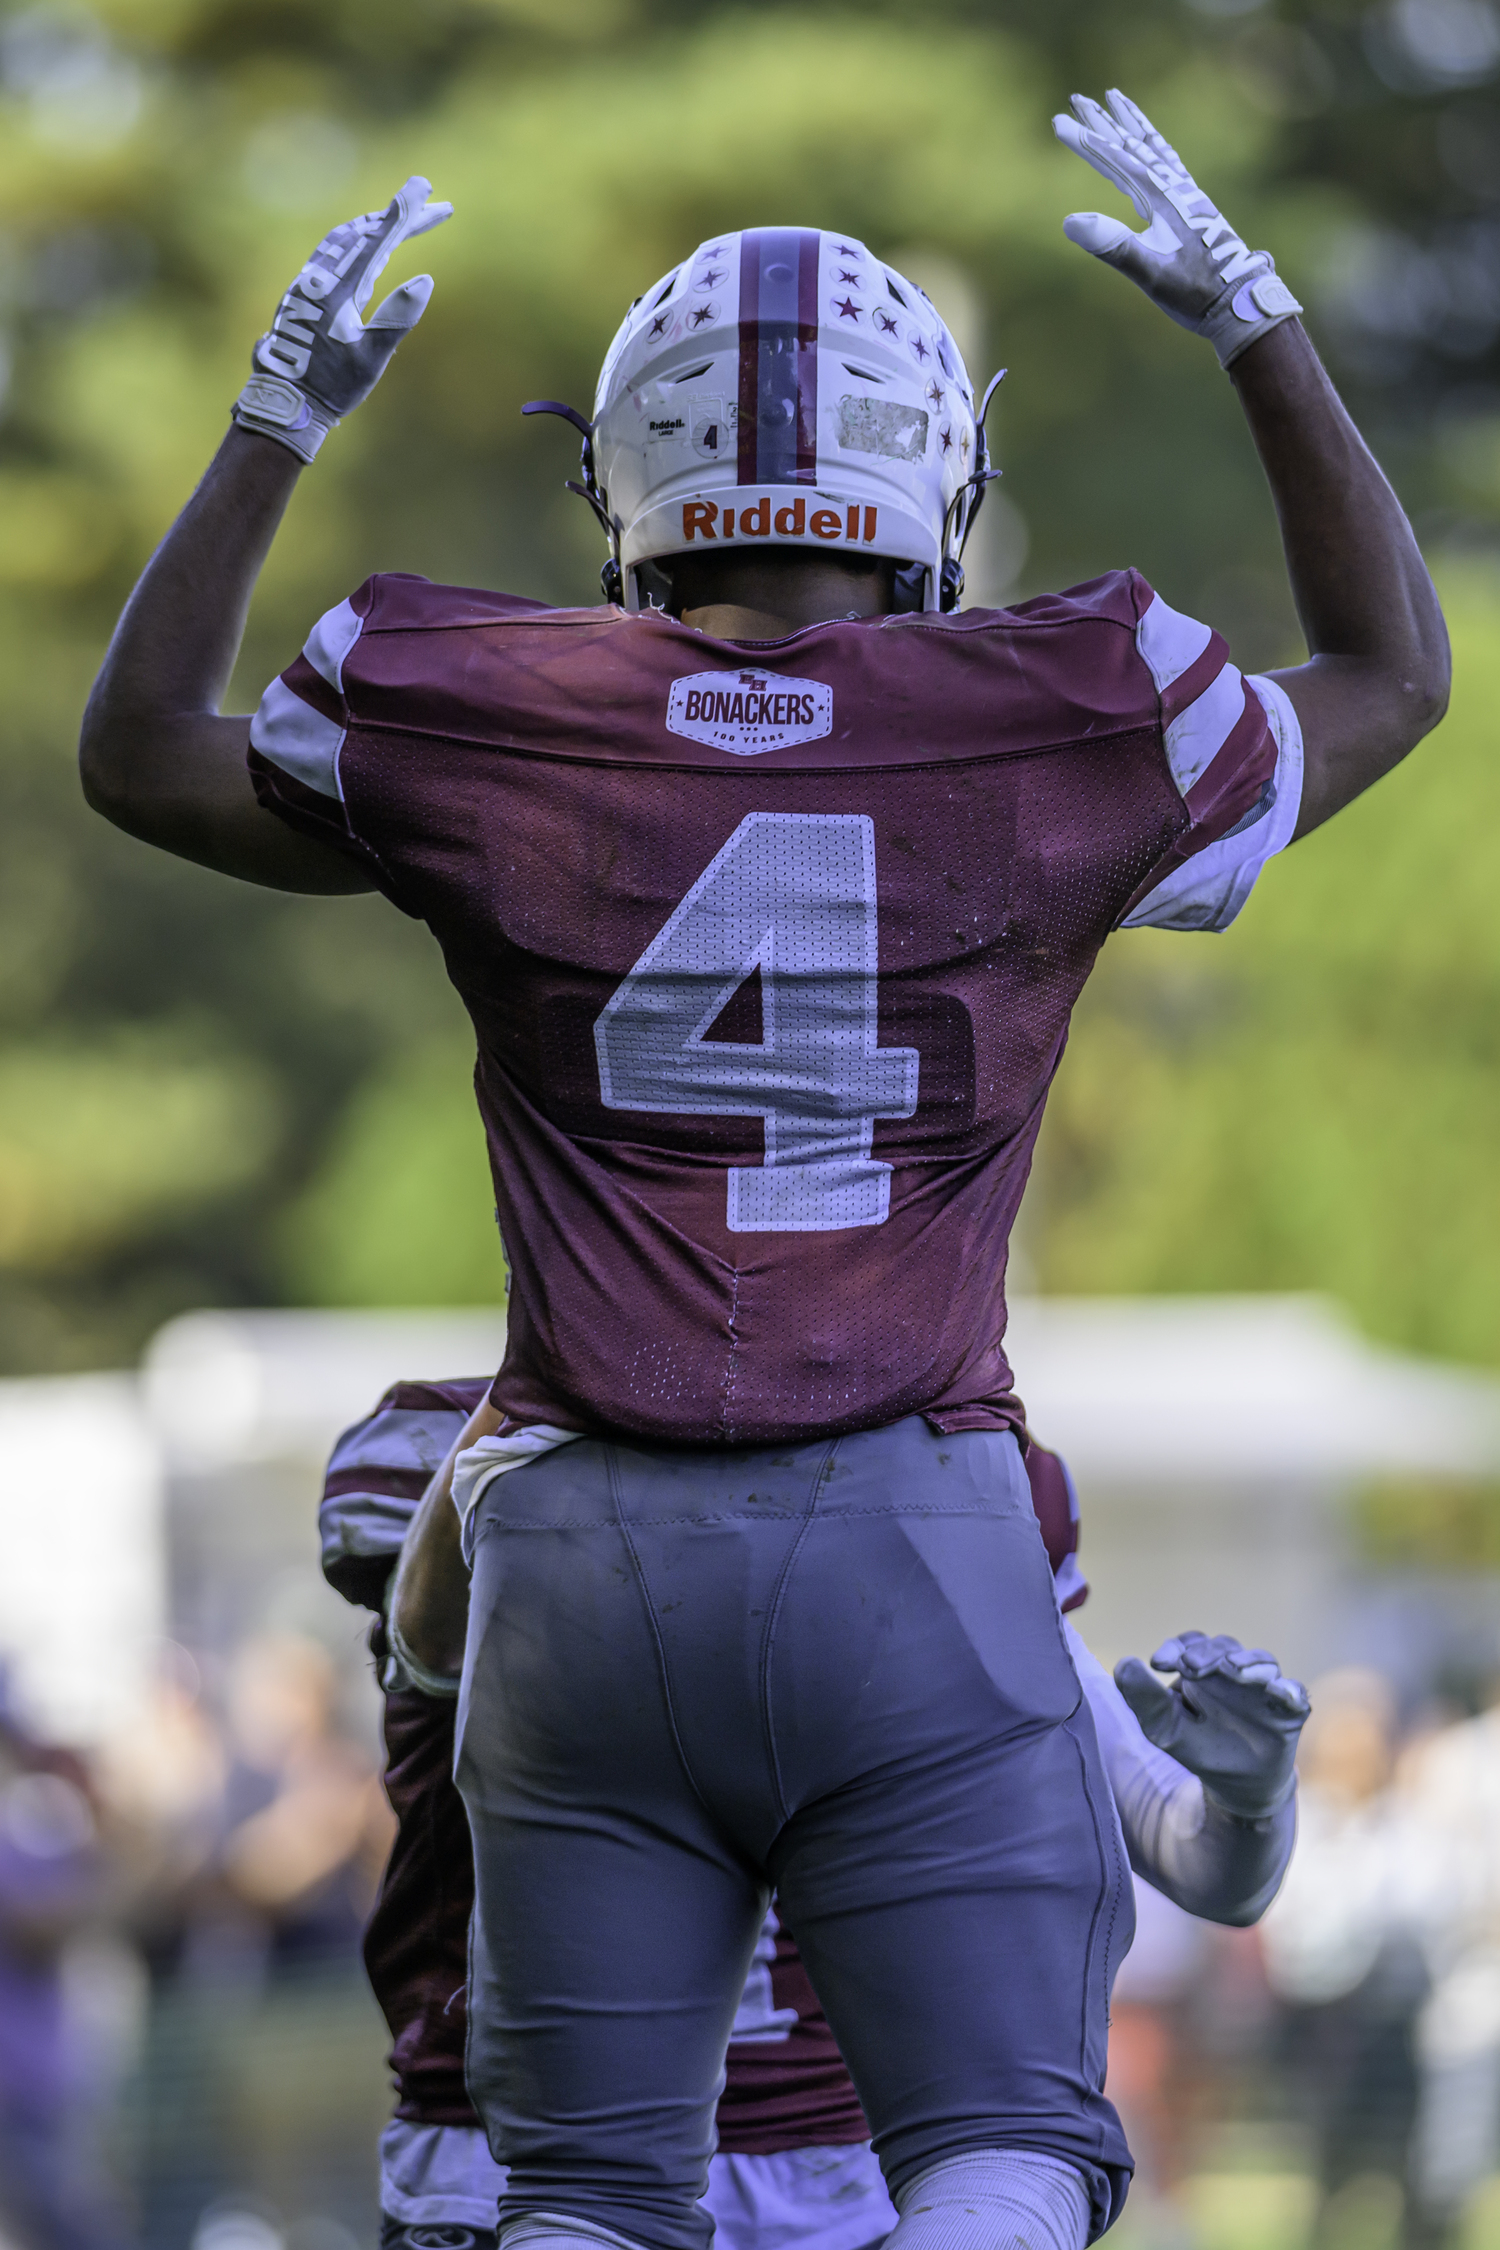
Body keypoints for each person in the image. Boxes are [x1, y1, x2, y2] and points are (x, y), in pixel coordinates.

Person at [79, 85, 1447, 2250]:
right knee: (1007, 2143)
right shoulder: (1065, 707)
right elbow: (1391, 672)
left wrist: (270, 423)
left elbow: (141, 754)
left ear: (622, 476)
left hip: (577, 1537)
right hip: (908, 1502)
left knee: (594, 2196)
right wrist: (1266, 328)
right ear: (938, 478)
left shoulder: (477, 698)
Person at [322, 1378, 1308, 2250]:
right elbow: (431, 1639)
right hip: (520, 2159)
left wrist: (1253, 1792)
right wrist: (559, 1384)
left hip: (835, 2170)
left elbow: (1208, 1863)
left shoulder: (940, 1481)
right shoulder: (463, 1444)